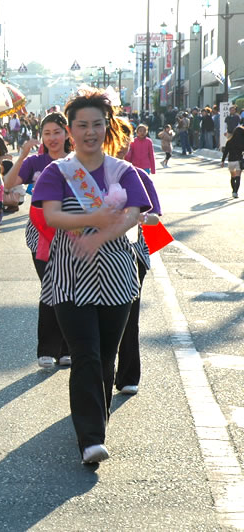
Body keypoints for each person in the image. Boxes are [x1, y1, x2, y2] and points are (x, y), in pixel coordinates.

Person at [32, 89, 151, 464]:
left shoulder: (124, 171)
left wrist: (100, 235)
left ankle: (95, 423)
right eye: (81, 125)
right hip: (70, 277)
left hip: (117, 277)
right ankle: (91, 438)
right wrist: (92, 219)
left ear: (107, 127)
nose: (89, 132)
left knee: (105, 356)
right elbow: (51, 215)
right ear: (70, 129)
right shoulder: (57, 172)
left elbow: (135, 215)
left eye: (96, 124)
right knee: (85, 354)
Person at [3, 112, 73, 369]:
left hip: (72, 231)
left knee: (70, 287)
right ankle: (47, 349)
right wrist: (22, 154)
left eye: (57, 132)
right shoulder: (35, 162)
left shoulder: (77, 160)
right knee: (50, 285)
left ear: (67, 133)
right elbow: (8, 184)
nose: (52, 138)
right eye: (47, 133)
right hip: (40, 233)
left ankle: (67, 348)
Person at [114, 119, 163, 396]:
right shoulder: (84, 175)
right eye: (115, 138)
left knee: (129, 316)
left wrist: (140, 217)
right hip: (89, 256)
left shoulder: (138, 177)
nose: (121, 146)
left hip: (132, 255)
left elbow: (156, 219)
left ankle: (128, 374)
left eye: (125, 140)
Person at [222, 125, 244, 198]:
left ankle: (233, 189)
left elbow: (225, 152)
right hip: (238, 160)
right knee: (238, 176)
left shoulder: (229, 141)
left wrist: (222, 161)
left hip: (231, 161)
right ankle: (235, 192)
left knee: (232, 177)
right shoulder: (242, 142)